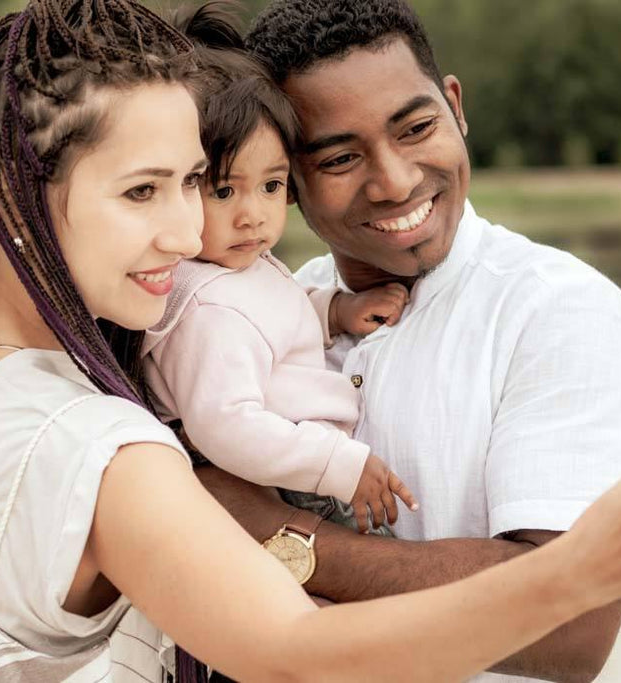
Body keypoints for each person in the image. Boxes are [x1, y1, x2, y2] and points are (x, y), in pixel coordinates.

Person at [0, 1, 621, 682]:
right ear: (11, 194)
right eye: (143, 190)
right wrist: (584, 566)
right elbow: (292, 654)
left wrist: (272, 529)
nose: (188, 230)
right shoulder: (108, 443)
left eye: (197, 183)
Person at [188, 1, 621, 681]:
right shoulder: (271, 308)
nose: (396, 179)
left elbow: (569, 630)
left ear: (455, 107)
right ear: (285, 173)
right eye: (341, 156)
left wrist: (280, 537)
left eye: (417, 127)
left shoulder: (564, 316)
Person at [142, 3, 416, 537]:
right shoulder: (209, 309)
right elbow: (224, 423)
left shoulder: (227, 271)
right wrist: (337, 465)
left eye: (271, 185)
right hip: (289, 479)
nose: (255, 215)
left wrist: (334, 310)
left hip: (303, 465)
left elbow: (270, 318)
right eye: (224, 190)